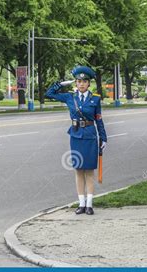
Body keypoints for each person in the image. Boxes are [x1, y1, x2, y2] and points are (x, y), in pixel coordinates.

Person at [45, 66, 108, 215]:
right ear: (76, 83)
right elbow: (49, 93)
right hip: (76, 136)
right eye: (78, 81)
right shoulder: (69, 97)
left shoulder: (95, 99)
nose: (81, 84)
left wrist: (103, 138)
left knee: (89, 171)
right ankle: (81, 204)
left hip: (90, 136)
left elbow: (99, 119)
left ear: (88, 83)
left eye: (84, 81)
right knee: (79, 170)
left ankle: (90, 205)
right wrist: (61, 84)